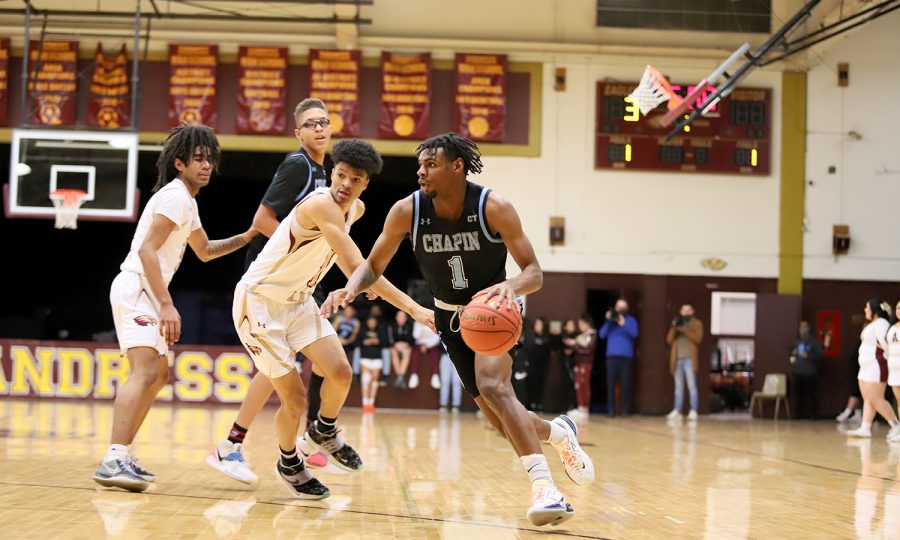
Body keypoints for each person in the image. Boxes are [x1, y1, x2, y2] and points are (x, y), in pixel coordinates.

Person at [321, 133, 594, 526]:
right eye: (420, 164)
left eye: (431, 164)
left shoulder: (493, 206)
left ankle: (546, 490)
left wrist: (510, 286)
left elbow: (534, 272)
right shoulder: (406, 211)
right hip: (450, 318)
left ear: (457, 166)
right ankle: (557, 432)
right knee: (501, 423)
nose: (422, 171)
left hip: (495, 311)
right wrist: (350, 287)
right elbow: (374, 266)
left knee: (495, 386)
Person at [232, 139, 434, 498]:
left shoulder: (354, 210)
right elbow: (359, 266)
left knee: (340, 373)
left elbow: (350, 266)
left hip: (297, 302)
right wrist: (415, 309)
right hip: (259, 303)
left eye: (355, 179)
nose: (345, 184)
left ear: (365, 184)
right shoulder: (321, 204)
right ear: (331, 173)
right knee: (294, 399)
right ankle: (289, 461)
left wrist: (354, 285)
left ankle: (323, 431)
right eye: (340, 175)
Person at [93, 125, 256, 492]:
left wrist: (247, 236)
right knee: (145, 370)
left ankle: (123, 454)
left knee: (158, 374)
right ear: (179, 162)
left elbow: (205, 250)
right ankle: (113, 457)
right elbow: (147, 251)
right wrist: (167, 304)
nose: (206, 165)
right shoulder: (175, 197)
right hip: (138, 287)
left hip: (148, 291)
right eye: (198, 159)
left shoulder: (188, 201)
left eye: (210, 159)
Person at [207, 98, 334, 484]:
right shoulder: (298, 164)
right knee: (280, 368)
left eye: (324, 122)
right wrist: (290, 252)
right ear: (298, 133)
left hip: (291, 283)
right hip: (267, 280)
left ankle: (247, 444)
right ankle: (237, 446)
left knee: (278, 366)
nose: (319, 128)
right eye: (310, 124)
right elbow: (263, 218)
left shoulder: (324, 173)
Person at [848, 299, 900, 438]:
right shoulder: (872, 324)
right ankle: (865, 427)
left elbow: (886, 344)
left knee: (876, 398)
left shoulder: (882, 324)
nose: (865, 310)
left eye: (867, 307)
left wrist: (889, 361)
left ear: (875, 310)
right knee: (868, 398)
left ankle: (896, 425)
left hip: (876, 366)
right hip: (866, 367)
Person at [599, 299, 638, 417]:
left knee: (625, 384)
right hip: (611, 358)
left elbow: (635, 334)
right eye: (618, 307)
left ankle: (624, 410)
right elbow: (602, 335)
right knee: (610, 384)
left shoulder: (631, 320)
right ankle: (611, 410)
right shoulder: (610, 323)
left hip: (626, 358)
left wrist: (623, 324)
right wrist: (608, 320)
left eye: (623, 307)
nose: (620, 310)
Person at [666, 304, 704, 422]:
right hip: (677, 359)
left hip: (689, 359)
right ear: (680, 311)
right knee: (678, 387)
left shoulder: (696, 324)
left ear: (692, 311)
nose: (686, 312)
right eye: (684, 310)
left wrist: (685, 330)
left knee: (692, 386)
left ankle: (693, 410)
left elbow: (697, 339)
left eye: (688, 310)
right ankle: (677, 410)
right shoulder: (676, 323)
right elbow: (669, 340)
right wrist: (674, 328)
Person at [564, 315, 597, 419]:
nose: (580, 327)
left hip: (586, 363)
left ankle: (585, 408)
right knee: (578, 385)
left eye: (582, 324)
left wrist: (575, 346)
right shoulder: (581, 336)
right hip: (578, 362)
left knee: (584, 384)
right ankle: (580, 407)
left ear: (588, 324)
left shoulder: (592, 335)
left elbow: (588, 350)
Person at [789, 320, 823, 419]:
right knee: (798, 395)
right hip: (797, 372)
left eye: (805, 327)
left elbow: (820, 355)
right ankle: (797, 414)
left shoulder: (813, 341)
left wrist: (809, 356)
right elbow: (789, 352)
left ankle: (813, 415)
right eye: (801, 327)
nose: (803, 329)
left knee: (811, 395)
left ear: (808, 328)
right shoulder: (796, 341)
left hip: (810, 373)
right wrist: (792, 352)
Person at [521, 317, 551, 412]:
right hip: (531, 366)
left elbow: (549, 352)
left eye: (539, 324)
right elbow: (526, 349)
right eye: (536, 324)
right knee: (530, 386)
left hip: (542, 366)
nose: (537, 326)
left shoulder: (547, 338)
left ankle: (538, 404)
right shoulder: (530, 336)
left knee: (540, 386)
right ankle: (530, 405)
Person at [358, 314, 388, 412]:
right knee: (365, 380)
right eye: (370, 321)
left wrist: (377, 341)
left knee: (374, 381)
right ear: (367, 322)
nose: (372, 323)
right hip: (365, 358)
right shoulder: (363, 331)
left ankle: (371, 403)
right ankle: (364, 403)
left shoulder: (380, 331)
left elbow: (386, 343)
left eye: (373, 321)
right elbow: (357, 342)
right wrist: (365, 342)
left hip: (377, 358)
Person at [410, 319, 442, 390]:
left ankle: (435, 376)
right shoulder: (417, 322)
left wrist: (427, 345)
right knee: (415, 352)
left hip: (431, 345)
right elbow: (415, 336)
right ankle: (413, 375)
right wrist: (421, 325)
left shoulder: (434, 322)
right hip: (420, 345)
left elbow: (437, 338)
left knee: (435, 352)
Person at [389, 310, 415, 388]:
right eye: (399, 316)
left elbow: (412, 339)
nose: (401, 318)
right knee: (393, 352)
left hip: (405, 347)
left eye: (403, 317)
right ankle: (400, 377)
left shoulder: (410, 325)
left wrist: (406, 344)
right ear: (396, 318)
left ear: (406, 318)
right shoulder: (392, 326)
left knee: (407, 352)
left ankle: (399, 378)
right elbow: (389, 339)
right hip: (395, 346)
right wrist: (395, 344)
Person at [888, 301, 900, 442]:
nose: (898, 310)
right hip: (894, 369)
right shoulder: (892, 328)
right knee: (898, 401)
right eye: (897, 307)